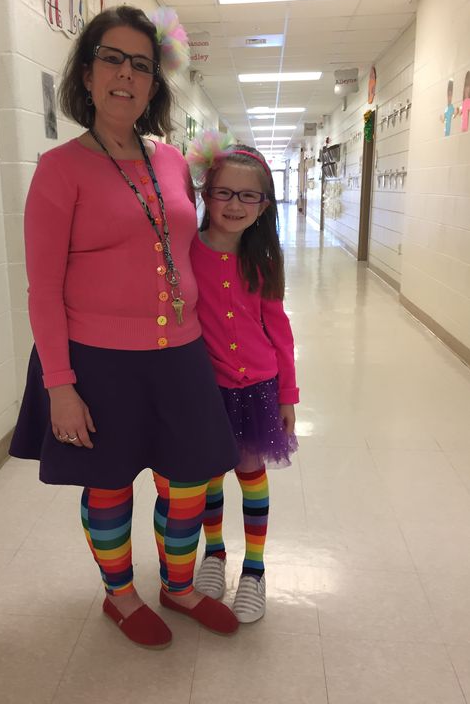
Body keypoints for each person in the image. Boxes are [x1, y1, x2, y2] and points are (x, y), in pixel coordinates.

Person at [9, 7, 240, 649]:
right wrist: (59, 384)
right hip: (98, 359)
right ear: (87, 72)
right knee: (108, 484)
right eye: (112, 58)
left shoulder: (170, 160)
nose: (126, 74)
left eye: (141, 64)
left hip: (181, 353)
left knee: (189, 478)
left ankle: (179, 584)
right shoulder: (60, 171)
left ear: (153, 82)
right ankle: (120, 596)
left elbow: (184, 245)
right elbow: (43, 290)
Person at [187, 133, 300, 623]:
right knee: (210, 476)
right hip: (205, 391)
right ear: (206, 194)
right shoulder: (186, 252)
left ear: (264, 203)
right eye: (224, 192)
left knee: (250, 475)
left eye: (248, 195)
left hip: (256, 389)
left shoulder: (264, 258)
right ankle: (215, 554)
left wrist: (287, 394)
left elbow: (280, 331)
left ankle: (254, 569)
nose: (235, 204)